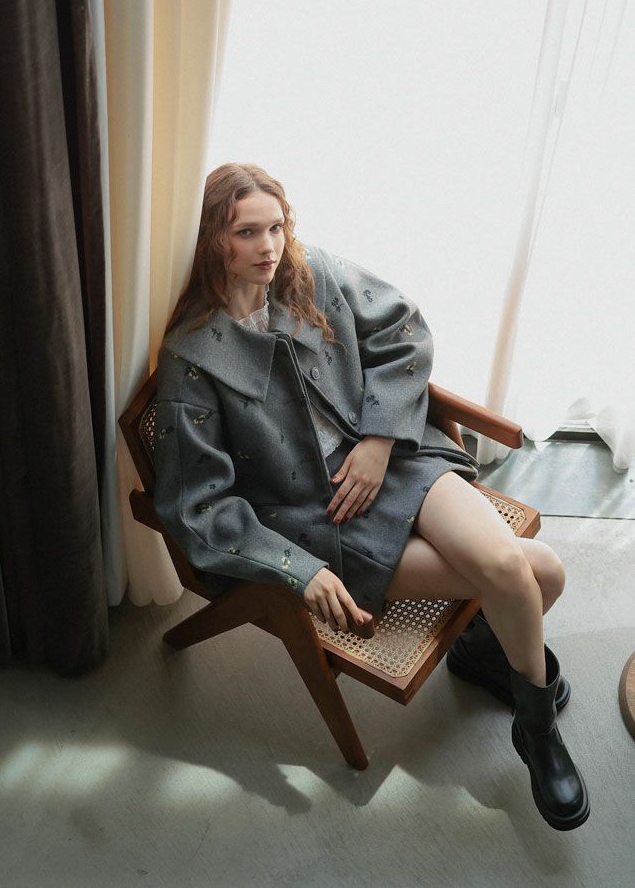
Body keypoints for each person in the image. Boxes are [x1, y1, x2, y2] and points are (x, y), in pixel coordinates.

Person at [153, 162, 589, 831]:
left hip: (393, 462)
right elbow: (198, 505)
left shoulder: (314, 274)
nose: (269, 247)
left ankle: (533, 731)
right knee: (539, 574)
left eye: (276, 227)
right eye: (247, 232)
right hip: (319, 520)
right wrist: (300, 570)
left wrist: (380, 441)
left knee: (526, 570)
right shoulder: (193, 357)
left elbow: (403, 331)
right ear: (214, 238)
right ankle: (497, 669)